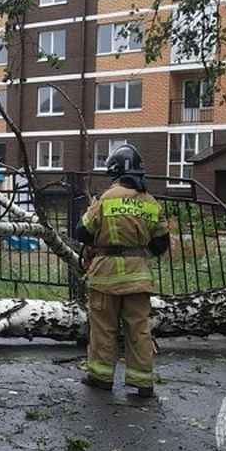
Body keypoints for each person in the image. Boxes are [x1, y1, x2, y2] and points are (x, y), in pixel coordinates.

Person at [75, 144, 170, 397]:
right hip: (139, 278)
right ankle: (143, 383)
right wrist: (140, 254)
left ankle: (101, 376)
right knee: (138, 330)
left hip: (106, 276)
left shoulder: (106, 199)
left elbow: (82, 231)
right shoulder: (150, 202)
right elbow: (162, 242)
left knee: (104, 328)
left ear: (115, 171)